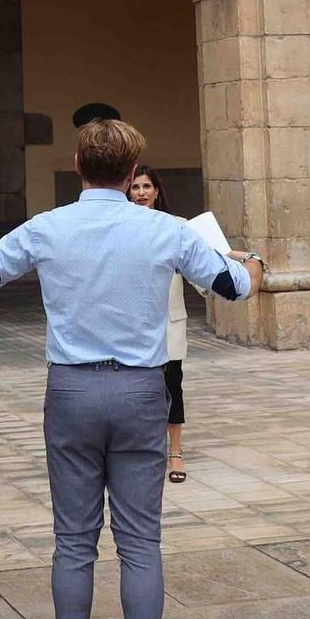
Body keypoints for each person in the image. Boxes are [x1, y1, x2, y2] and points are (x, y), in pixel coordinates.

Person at [0, 120, 263, 619]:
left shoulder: (47, 226)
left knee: (73, 538)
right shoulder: (164, 229)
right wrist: (252, 259)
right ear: (132, 170)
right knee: (141, 540)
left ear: (77, 162)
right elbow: (236, 285)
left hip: (70, 389)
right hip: (141, 390)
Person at [128, 166, 189, 482]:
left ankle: (175, 453)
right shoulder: (120, 228)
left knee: (171, 388)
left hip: (168, 323)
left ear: (157, 191)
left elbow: (205, 259)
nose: (141, 192)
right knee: (135, 390)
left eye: (146, 186)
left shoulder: (176, 227)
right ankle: (140, 451)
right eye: (135, 186)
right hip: (131, 324)